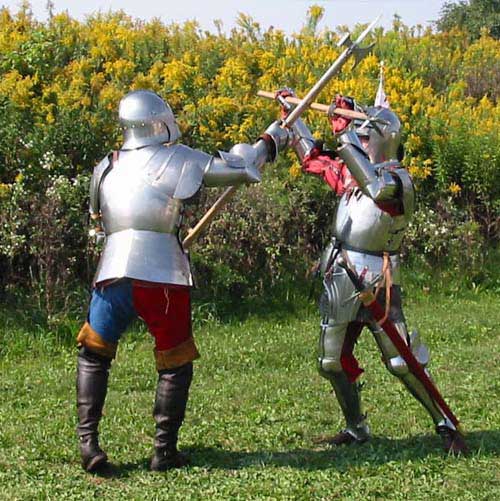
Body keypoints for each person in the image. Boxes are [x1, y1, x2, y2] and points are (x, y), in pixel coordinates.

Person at [76, 89, 291, 472]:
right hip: (161, 274)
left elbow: (97, 226)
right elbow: (242, 168)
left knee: (94, 353)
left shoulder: (105, 167)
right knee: (174, 360)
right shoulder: (178, 158)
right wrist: (272, 140)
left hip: (111, 273)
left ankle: (89, 444)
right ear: (159, 121)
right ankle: (164, 451)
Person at [276, 89, 467, 454]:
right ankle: (356, 427)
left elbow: (376, 189)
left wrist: (344, 135)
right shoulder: (352, 175)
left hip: (379, 277)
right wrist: (293, 113)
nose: (359, 143)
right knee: (330, 361)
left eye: (364, 137)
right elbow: (313, 158)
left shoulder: (398, 180)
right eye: (358, 137)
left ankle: (444, 422)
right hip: (340, 273)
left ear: (381, 139)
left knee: (400, 361)